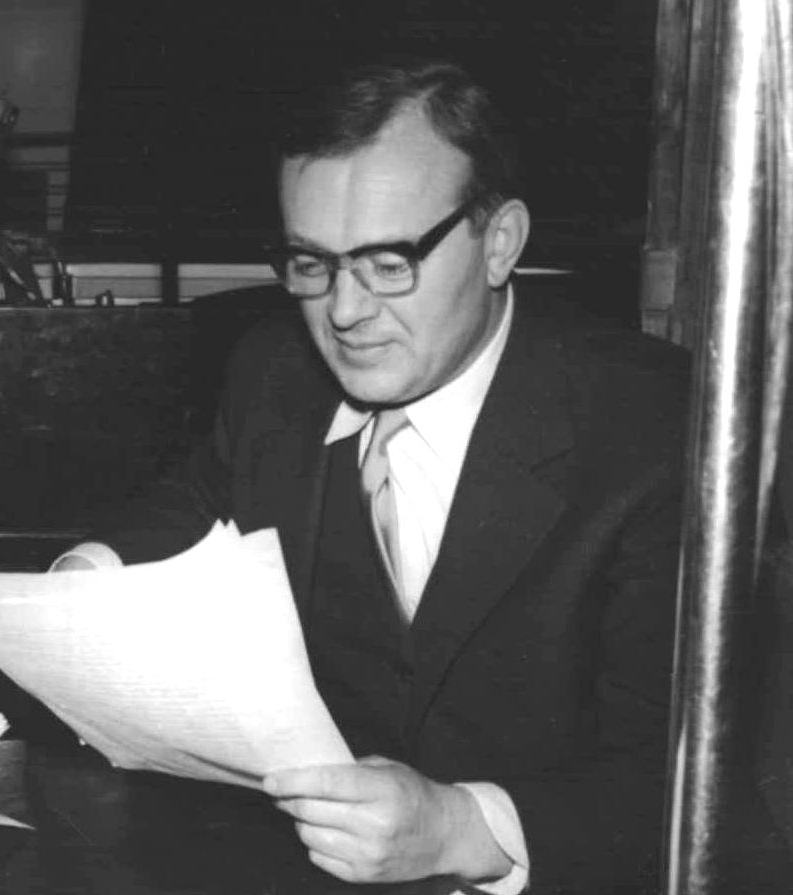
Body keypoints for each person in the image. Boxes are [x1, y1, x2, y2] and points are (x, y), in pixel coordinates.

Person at [55, 59, 690, 893]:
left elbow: (698, 775)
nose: (344, 312)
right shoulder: (274, 369)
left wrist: (464, 827)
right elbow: (200, 497)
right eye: (311, 262)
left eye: (389, 262)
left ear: (499, 242)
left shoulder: (658, 426)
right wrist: (86, 577)